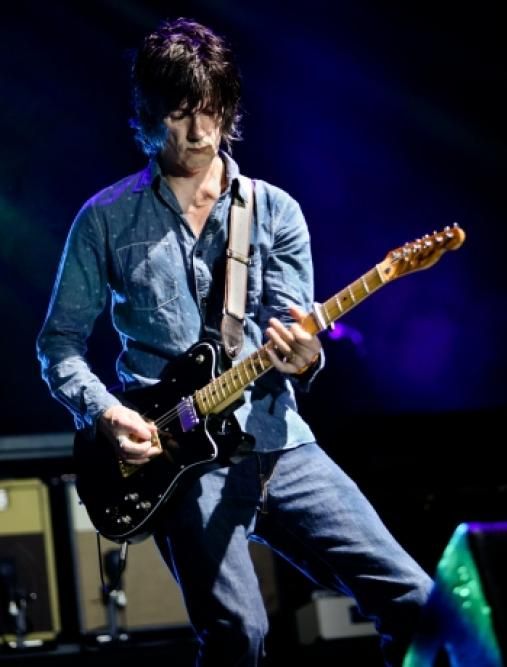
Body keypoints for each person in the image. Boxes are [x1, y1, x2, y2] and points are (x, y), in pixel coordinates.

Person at [37, 17, 432, 666]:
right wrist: (106, 413)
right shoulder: (104, 218)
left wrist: (305, 354)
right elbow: (58, 345)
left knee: (417, 601)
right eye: (180, 114)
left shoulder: (275, 211)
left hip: (279, 441)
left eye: (212, 111)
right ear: (147, 115)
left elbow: (295, 337)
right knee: (237, 635)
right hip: (175, 455)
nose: (200, 132)